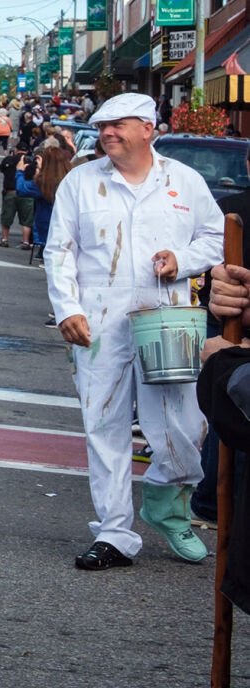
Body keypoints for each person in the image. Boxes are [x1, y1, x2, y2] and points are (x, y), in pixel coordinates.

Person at [44, 93, 222, 570]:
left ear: (148, 128)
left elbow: (216, 236)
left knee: (184, 425)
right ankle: (114, 532)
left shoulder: (183, 182)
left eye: (118, 125)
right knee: (104, 426)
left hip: (167, 317)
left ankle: (166, 504)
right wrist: (67, 308)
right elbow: (58, 249)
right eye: (102, 126)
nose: (107, 133)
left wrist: (181, 259)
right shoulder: (81, 182)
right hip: (98, 320)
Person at [0, 142, 34, 249]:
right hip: (27, 193)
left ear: (16, 149)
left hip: (10, 191)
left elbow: (2, 170)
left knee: (6, 217)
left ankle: (4, 239)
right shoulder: (30, 161)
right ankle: (26, 241)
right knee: (26, 220)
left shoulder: (9, 159)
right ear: (27, 151)